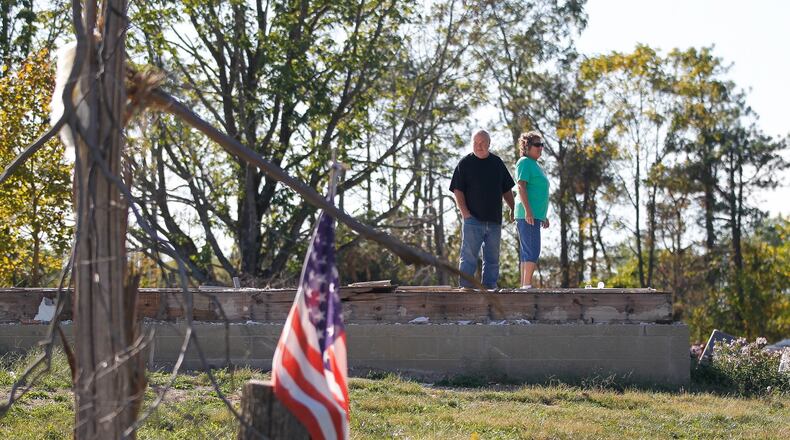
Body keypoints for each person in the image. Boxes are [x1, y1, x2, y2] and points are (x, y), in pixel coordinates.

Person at [449, 129, 515, 289]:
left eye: (482, 143)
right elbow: (457, 190)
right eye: (475, 143)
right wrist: (465, 213)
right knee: (468, 257)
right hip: (473, 220)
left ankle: (490, 290)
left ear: (489, 144)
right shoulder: (465, 164)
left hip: (494, 221)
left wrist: (513, 208)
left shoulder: (497, 163)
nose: (479, 146)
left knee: (492, 259)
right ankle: (465, 289)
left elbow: (507, 189)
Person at [514, 131, 550, 289]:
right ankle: (526, 286)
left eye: (542, 145)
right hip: (527, 214)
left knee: (528, 250)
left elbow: (538, 193)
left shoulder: (535, 165)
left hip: (535, 215)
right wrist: (528, 211)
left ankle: (524, 285)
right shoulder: (524, 162)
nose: (540, 147)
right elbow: (521, 186)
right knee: (532, 250)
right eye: (537, 145)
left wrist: (543, 215)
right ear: (526, 147)